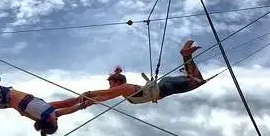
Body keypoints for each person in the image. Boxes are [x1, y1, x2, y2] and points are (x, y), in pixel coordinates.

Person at [50, 39, 207, 111]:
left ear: (117, 82)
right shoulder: (122, 91)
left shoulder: (124, 88)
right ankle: (186, 55)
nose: (109, 85)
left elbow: (100, 94)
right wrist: (55, 108)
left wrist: (88, 95)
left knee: (198, 81)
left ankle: (186, 55)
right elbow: (97, 98)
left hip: (165, 88)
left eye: (111, 82)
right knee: (195, 79)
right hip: (164, 86)